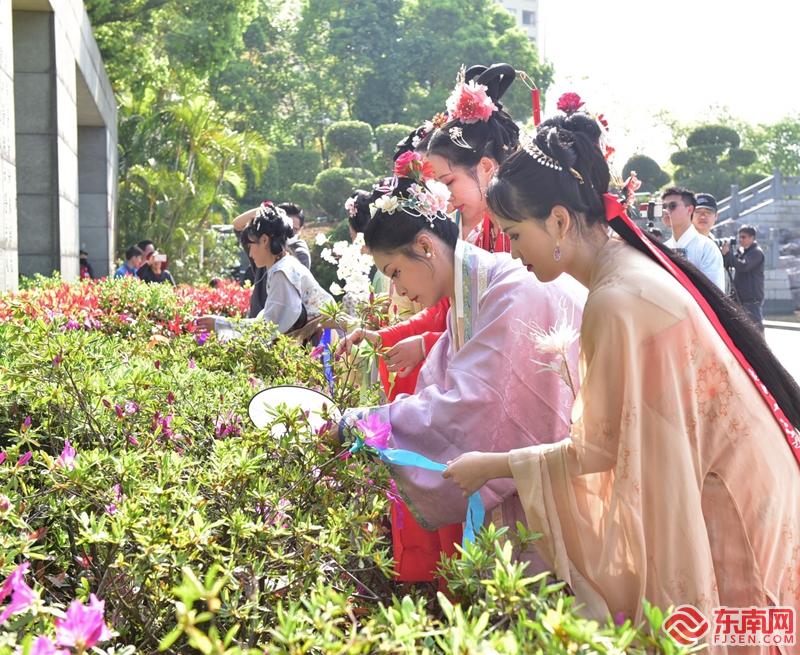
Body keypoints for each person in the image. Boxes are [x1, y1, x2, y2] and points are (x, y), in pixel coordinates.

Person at [444, 111, 800, 647]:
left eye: (516, 234)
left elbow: (596, 450)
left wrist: (489, 467)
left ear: (560, 222)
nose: (512, 251)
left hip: (725, 499)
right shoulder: (628, 268)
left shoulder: (614, 298)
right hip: (740, 480)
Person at [331, 173, 587, 575]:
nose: (396, 290)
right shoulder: (474, 292)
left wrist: (361, 425)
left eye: (395, 272)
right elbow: (442, 387)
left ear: (425, 247)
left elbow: (469, 407)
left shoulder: (508, 290)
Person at [197, 202, 333, 339]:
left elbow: (269, 327)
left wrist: (220, 323)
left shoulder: (282, 272)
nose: (249, 254)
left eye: (250, 245)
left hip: (326, 342)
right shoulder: (282, 266)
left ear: (264, 240)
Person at [424, 63, 516, 253]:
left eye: (449, 181)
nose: (446, 194)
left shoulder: (522, 227)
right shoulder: (446, 229)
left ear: (486, 166)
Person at [661, 187, 725, 290]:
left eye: (672, 206)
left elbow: (714, 294)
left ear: (690, 210)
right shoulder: (662, 248)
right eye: (663, 207)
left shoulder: (707, 247)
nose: (666, 211)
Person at [723, 224, 766, 331]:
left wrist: (729, 253)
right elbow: (730, 263)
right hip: (740, 297)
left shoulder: (757, 252)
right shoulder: (742, 252)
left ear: (752, 238)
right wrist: (725, 254)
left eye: (743, 237)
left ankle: (760, 348)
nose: (740, 240)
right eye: (739, 237)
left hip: (751, 298)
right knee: (742, 329)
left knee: (755, 328)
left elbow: (743, 266)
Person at [279, 202, 311, 269]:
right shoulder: (263, 246)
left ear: (300, 230)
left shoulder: (301, 254)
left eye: (294, 229)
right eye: (287, 227)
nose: (289, 232)